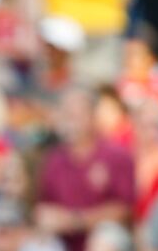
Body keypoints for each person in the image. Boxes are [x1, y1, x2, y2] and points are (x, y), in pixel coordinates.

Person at [35, 86, 135, 251]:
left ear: (93, 116)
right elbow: (44, 210)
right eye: (66, 114)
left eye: (75, 114)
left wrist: (75, 221)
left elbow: (123, 211)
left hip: (104, 238)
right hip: (63, 240)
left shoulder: (116, 155)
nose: (69, 121)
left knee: (106, 238)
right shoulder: (54, 159)